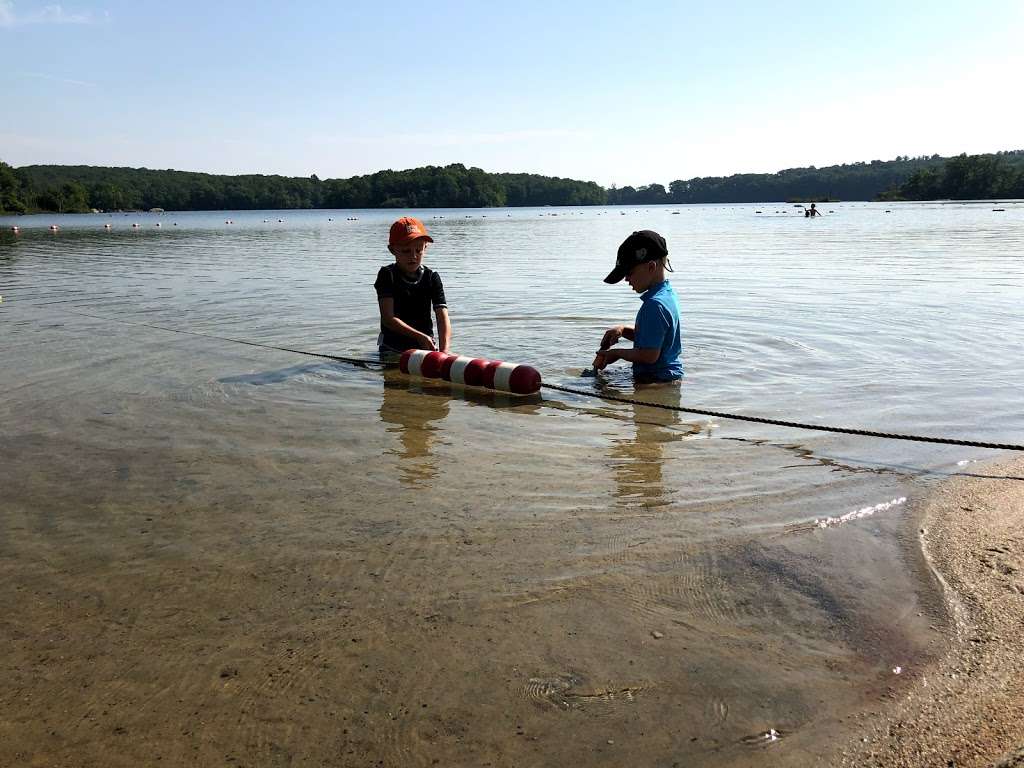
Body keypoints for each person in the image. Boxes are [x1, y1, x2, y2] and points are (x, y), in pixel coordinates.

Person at [593, 230, 683, 383]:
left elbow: (649, 355)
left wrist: (617, 353)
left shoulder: (654, 305)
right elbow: (654, 338)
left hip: (655, 382)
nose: (626, 279)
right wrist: (623, 330)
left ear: (651, 267)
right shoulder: (667, 295)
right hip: (667, 378)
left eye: (629, 272)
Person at [374, 216, 451, 358]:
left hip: (425, 349)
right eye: (406, 251)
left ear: (425, 248)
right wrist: (419, 337)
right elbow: (388, 319)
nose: (413, 256)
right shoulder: (387, 275)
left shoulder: (432, 277)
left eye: (418, 250)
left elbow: (442, 317)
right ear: (392, 250)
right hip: (393, 349)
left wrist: (444, 352)